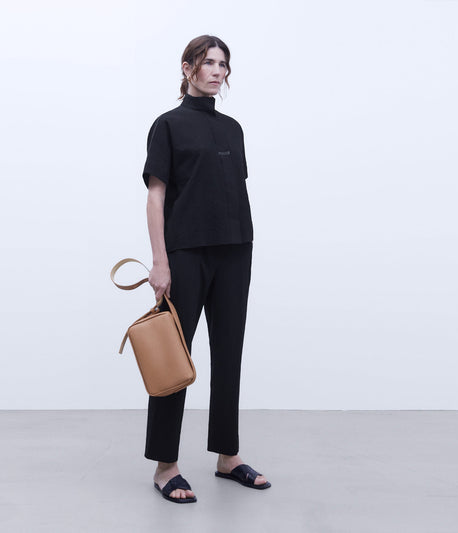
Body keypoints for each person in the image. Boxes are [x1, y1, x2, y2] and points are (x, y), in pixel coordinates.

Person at [142, 35, 271, 504]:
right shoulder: (168, 125)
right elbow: (156, 197)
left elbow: (228, 189)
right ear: (187, 68)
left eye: (223, 64)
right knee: (173, 357)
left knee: (229, 353)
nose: (218, 71)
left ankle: (227, 457)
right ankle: (166, 466)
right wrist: (160, 261)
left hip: (235, 250)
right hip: (186, 254)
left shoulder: (233, 128)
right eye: (209, 62)